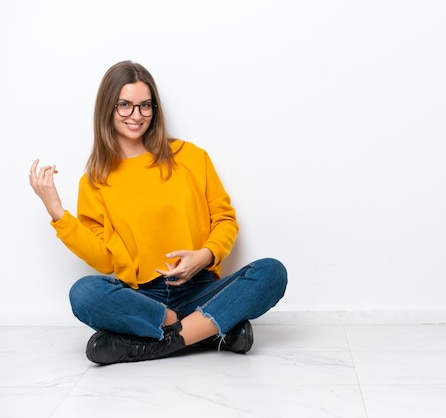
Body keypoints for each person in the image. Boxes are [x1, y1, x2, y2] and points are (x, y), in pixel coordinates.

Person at [28, 61, 288, 365]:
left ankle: (156, 344)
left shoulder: (191, 157)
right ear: (107, 109)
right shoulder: (95, 181)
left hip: (200, 287)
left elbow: (225, 220)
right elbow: (104, 260)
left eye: (144, 106)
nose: (136, 115)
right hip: (144, 299)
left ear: (155, 109)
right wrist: (57, 212)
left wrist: (203, 256)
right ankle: (210, 329)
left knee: (272, 272)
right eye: (124, 105)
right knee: (84, 293)